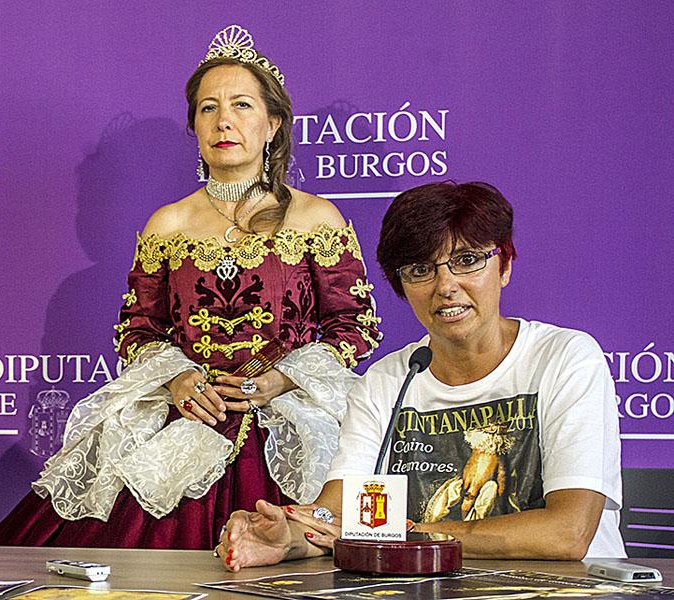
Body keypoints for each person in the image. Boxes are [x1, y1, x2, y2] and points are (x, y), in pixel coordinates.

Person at [0, 25, 381, 549]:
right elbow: (139, 330)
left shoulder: (314, 217)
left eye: (241, 105)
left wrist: (283, 380)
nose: (224, 121)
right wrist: (176, 382)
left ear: (273, 124)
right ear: (194, 126)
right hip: (184, 416)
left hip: (292, 418)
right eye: (208, 108)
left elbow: (353, 326)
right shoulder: (167, 224)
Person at [218, 181, 626, 568]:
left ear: (504, 266)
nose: (445, 285)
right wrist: (288, 537)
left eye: (467, 261)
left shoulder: (566, 358)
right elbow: (337, 513)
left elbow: (568, 534)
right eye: (420, 270)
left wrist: (405, 535)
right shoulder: (387, 381)